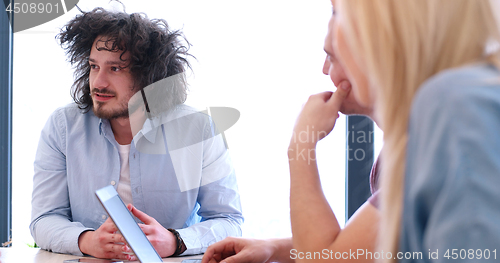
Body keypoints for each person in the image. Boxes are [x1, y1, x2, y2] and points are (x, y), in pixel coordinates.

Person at [30, 7, 243, 260]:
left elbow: (228, 220)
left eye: (116, 69)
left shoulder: (200, 129)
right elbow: (44, 218)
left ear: (149, 75)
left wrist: (176, 240)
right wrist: (88, 240)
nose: (98, 82)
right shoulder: (62, 126)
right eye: (93, 66)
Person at [202, 8, 381, 263]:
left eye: (332, 56)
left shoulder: (422, 159)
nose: (324, 69)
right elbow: (354, 248)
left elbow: (324, 260)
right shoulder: (399, 153)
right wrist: (271, 248)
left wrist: (301, 145)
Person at [331, 0, 500, 262]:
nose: (336, 35)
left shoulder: (452, 105)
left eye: (340, 14)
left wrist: (300, 147)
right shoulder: (448, 111)